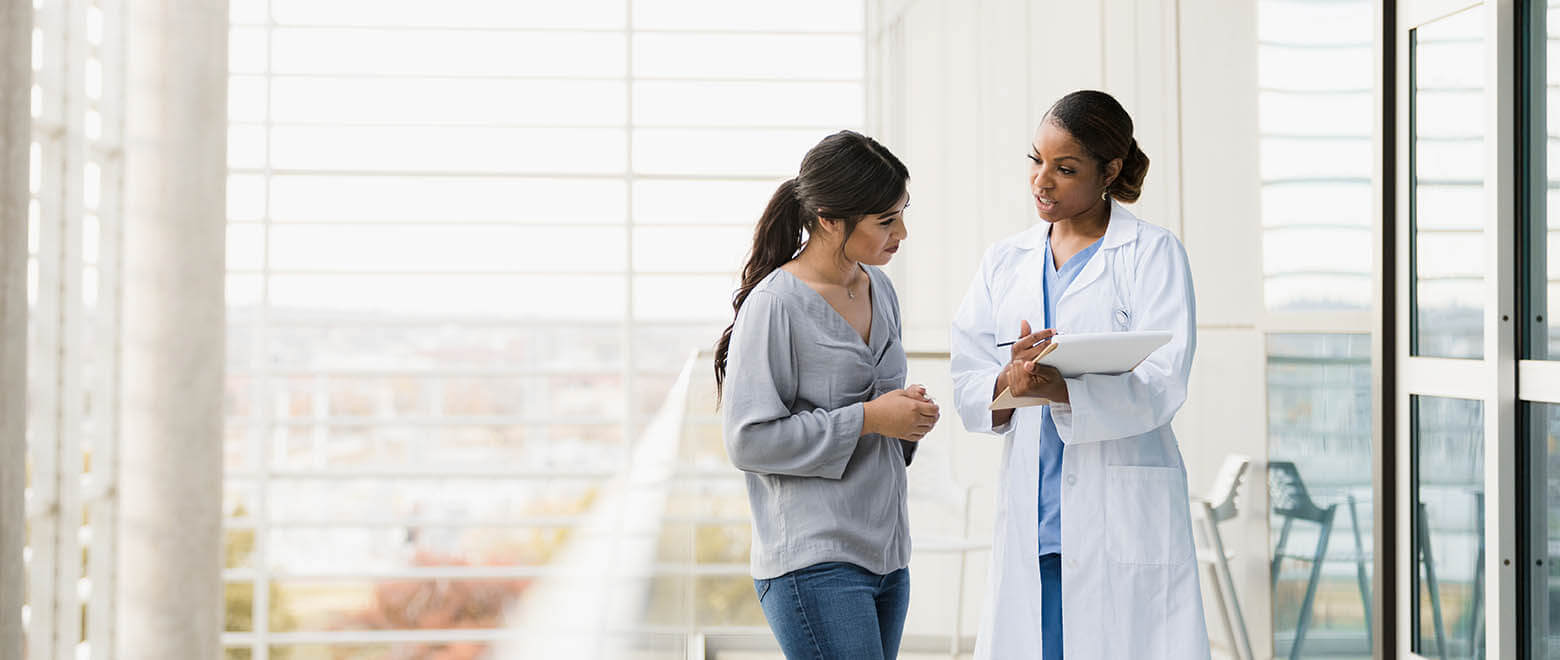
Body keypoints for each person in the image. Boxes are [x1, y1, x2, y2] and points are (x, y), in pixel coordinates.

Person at [949, 90, 1210, 659]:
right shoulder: (1005, 260)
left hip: (1120, 512)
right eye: (1035, 161)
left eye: (1065, 169)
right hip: (1034, 514)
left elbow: (1165, 381)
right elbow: (968, 378)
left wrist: (1061, 389)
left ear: (1109, 171)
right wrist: (1009, 382)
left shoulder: (1151, 253)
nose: (1042, 181)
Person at [716, 130, 940, 659]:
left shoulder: (879, 288)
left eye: (902, 213)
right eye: (885, 221)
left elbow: (883, 416)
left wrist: (907, 418)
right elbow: (748, 441)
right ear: (828, 218)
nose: (901, 232)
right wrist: (868, 418)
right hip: (813, 562)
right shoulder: (776, 305)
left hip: (887, 556)